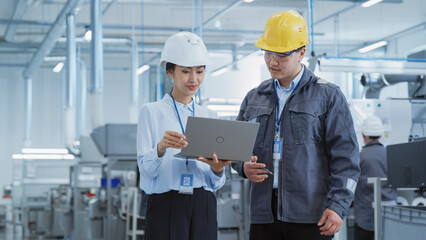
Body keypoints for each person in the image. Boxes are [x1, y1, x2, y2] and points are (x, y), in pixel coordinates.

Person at [231, 10, 360, 240]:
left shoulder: (328, 96)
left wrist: (338, 205)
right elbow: (233, 150)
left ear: (301, 53)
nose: (272, 61)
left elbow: (347, 160)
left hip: (311, 216)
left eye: (281, 54)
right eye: (268, 52)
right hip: (264, 215)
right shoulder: (254, 97)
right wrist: (242, 167)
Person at [137, 31, 231, 240]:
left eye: (199, 71)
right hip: (166, 205)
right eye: (186, 71)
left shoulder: (210, 116)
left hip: (203, 205)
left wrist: (217, 170)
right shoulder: (151, 112)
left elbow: (215, 183)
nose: (194, 79)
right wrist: (160, 148)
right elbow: (145, 170)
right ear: (171, 72)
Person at [354, 116, 397, 240]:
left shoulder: (359, 157)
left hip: (365, 219)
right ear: (381, 135)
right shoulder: (393, 155)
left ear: (363, 135)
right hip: (390, 218)